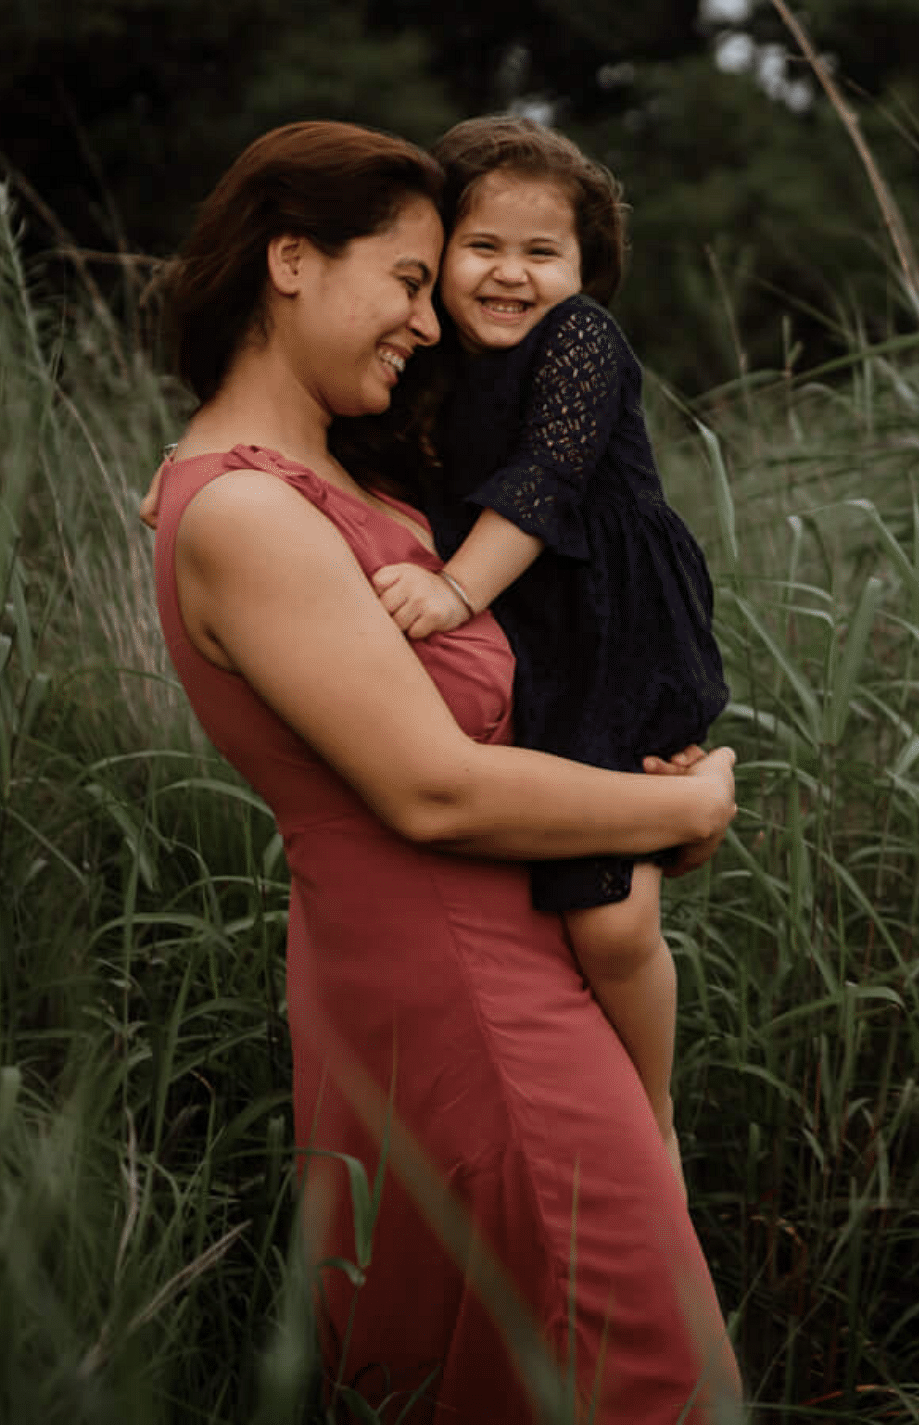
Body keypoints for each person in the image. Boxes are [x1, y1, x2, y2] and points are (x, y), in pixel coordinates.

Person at [142, 121, 741, 1423]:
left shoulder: (334, 474)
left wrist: (630, 787)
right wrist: (684, 804)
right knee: (643, 1370)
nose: (430, 318)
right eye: (411, 280)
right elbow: (437, 791)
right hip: (469, 989)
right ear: (291, 260)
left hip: (462, 969)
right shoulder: (248, 509)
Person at [371, 117, 730, 1179]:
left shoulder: (582, 343)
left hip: (612, 626)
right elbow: (326, 429)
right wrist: (188, 453)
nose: (511, 276)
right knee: (527, 886)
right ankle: (554, 1112)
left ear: (585, 268)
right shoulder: (425, 355)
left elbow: (547, 482)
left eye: (545, 253)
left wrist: (452, 589)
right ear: (437, 254)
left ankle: (654, 1118)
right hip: (525, 631)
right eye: (483, 247)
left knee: (609, 919)